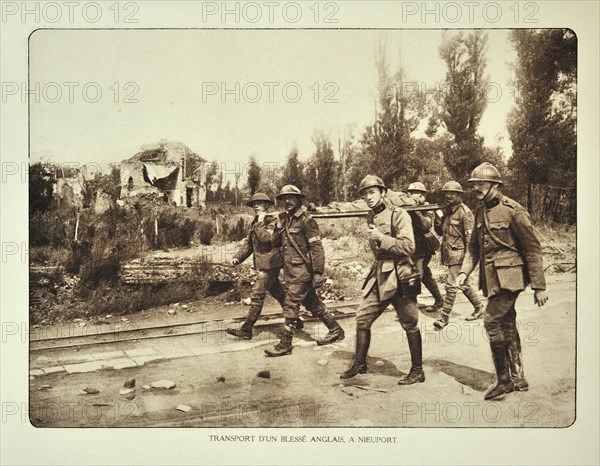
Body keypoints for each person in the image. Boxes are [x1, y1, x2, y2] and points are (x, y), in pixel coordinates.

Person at [457, 163, 548, 400]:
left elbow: (532, 249)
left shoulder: (514, 211)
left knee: (490, 321)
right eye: (473, 184)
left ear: (495, 186)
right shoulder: (478, 211)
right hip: (492, 279)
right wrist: (464, 272)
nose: (476, 187)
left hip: (510, 277)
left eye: (481, 184)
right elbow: (473, 249)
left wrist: (539, 286)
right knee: (507, 323)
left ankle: (504, 381)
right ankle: (518, 377)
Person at [341, 175, 425, 385]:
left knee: (410, 323)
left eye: (372, 192)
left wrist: (381, 238)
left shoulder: (399, 214)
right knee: (362, 318)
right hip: (380, 275)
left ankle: (417, 371)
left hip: (400, 275)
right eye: (365, 194)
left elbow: (409, 247)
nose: (368, 197)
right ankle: (360, 363)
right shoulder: (371, 216)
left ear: (383, 193)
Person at [264, 185, 345, 357]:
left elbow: (317, 248)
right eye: (284, 198)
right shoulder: (286, 220)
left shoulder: (307, 221)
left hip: (302, 272)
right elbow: (275, 243)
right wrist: (278, 226)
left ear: (300, 200)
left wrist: (318, 272)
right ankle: (335, 329)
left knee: (291, 303)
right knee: (312, 303)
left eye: (291, 197)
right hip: (291, 271)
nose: (287, 201)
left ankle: (285, 344)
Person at [226, 193, 295, 340]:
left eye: (260, 203)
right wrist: (237, 257)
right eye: (254, 204)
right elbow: (250, 245)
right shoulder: (256, 222)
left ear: (267, 206)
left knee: (257, 296)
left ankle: (246, 330)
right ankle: (295, 320)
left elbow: (266, 239)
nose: (256, 206)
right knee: (279, 294)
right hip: (264, 265)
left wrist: (261, 222)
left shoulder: (272, 221)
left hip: (270, 265)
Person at [432, 181, 484, 329]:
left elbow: (471, 241)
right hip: (450, 254)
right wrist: (437, 220)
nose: (448, 196)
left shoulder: (465, 213)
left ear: (460, 195)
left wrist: (468, 262)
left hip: (460, 255)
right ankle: (479, 307)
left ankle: (444, 317)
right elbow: (441, 233)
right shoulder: (447, 211)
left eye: (452, 193)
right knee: (463, 284)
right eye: (446, 193)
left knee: (451, 285)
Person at [406, 182, 444, 312]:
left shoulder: (427, 208)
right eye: (410, 193)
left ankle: (411, 308)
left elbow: (426, 225)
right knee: (425, 275)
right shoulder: (406, 206)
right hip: (412, 246)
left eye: (415, 194)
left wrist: (415, 211)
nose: (412, 196)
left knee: (415, 276)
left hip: (423, 246)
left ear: (423, 196)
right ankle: (439, 300)